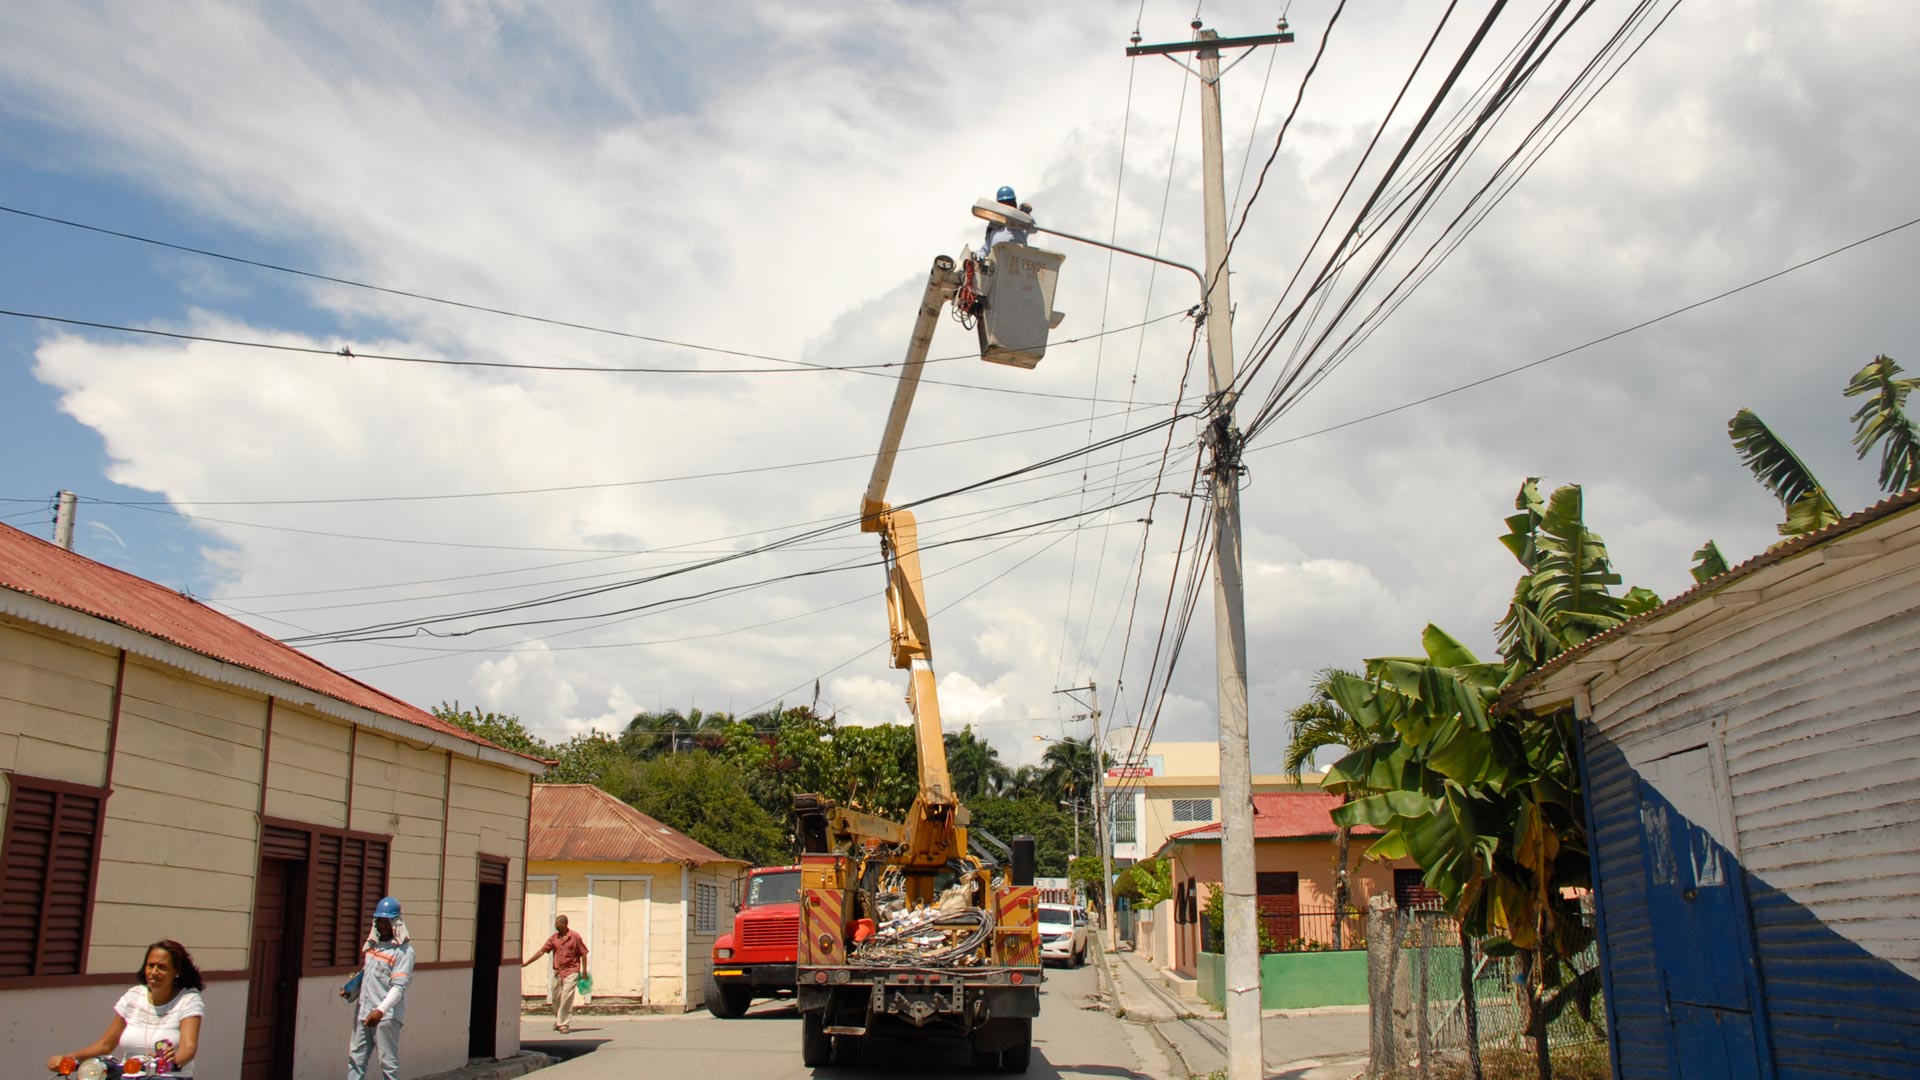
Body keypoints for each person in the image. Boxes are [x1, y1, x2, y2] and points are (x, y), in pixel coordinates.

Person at [48, 939, 205, 1075]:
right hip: (128, 1074)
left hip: (167, 1076)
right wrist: (68, 1058)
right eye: (150, 966)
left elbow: (188, 1048)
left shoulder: (188, 1000)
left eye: (162, 967)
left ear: (176, 971)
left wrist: (172, 1061)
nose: (154, 972)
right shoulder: (134, 996)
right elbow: (106, 1044)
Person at [346, 896, 413, 1080]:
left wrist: (380, 1011)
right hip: (363, 1012)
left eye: (387, 921)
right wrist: (352, 989)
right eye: (380, 921)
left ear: (396, 922)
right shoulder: (374, 947)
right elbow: (367, 975)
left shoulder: (403, 952)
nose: (383, 926)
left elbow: (398, 988)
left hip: (386, 1017)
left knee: (387, 1063)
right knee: (356, 1058)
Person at [523, 913, 590, 1033]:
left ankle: (563, 1024)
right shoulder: (554, 938)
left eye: (557, 923)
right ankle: (559, 1019)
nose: (555, 925)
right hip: (557, 972)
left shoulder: (575, 937)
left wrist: (584, 972)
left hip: (572, 971)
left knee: (566, 997)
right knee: (555, 999)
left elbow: (583, 953)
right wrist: (527, 962)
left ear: (564, 924)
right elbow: (542, 951)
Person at [980, 184, 1034, 255]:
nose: (1006, 207)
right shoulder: (994, 226)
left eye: (1009, 203)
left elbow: (1033, 227)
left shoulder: (1019, 223)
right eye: (1003, 204)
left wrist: (1026, 215)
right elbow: (985, 248)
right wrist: (980, 255)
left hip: (1017, 262)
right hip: (998, 264)